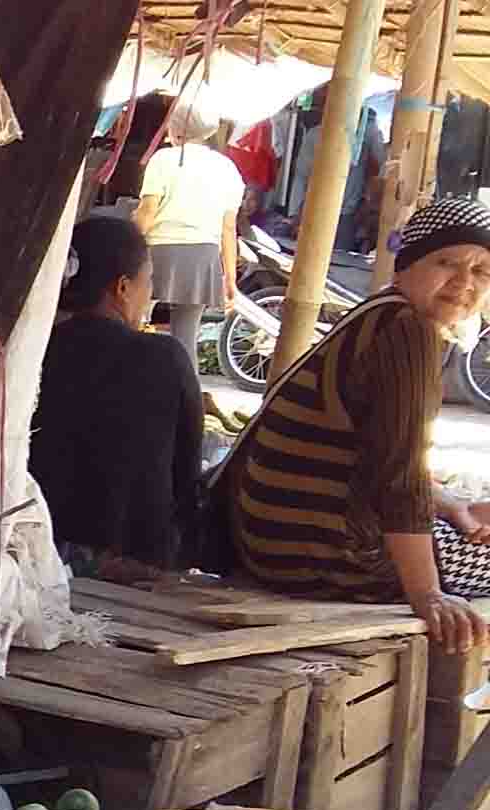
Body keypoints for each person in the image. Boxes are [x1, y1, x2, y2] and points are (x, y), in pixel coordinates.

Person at [215, 195, 490, 652]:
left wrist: (449, 505)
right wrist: (427, 594)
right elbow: (398, 478)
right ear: (407, 267)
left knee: (473, 515)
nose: (463, 282)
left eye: (481, 271)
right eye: (447, 262)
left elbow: (379, 458)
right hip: (322, 556)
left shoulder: (383, 312)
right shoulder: (407, 332)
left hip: (277, 543)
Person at [33, 214, 204, 576]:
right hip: (136, 567)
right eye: (149, 281)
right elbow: (187, 473)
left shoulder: (33, 351)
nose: (150, 294)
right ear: (122, 288)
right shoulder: (164, 357)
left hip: (40, 558)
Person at [136, 106, 245, 359]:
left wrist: (126, 246)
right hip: (203, 256)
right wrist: (230, 279)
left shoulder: (163, 159)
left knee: (135, 328)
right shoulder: (227, 168)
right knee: (186, 342)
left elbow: (147, 213)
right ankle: (186, 395)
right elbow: (229, 228)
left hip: (158, 252)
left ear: (174, 128)